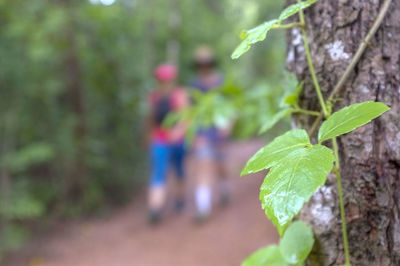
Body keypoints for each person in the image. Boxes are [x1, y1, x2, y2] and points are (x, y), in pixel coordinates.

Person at [190, 46, 231, 222]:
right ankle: (203, 208)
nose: (203, 66)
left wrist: (228, 126)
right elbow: (189, 110)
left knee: (221, 166)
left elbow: (231, 105)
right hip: (202, 131)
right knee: (203, 167)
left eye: (206, 63)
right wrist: (192, 133)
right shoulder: (193, 84)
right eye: (201, 63)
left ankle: (224, 191)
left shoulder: (222, 81)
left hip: (220, 129)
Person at [145, 63, 188, 224]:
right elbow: (150, 119)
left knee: (179, 171)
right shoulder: (154, 97)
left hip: (178, 141)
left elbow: (186, 117)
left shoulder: (180, 95)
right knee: (158, 172)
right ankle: (155, 208)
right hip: (160, 140)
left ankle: (180, 199)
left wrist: (178, 132)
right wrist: (150, 137)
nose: (165, 83)